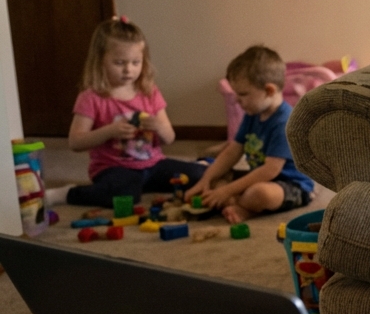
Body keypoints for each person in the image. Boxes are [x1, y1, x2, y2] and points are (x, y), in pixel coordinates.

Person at [50, 17, 207, 207]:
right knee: (125, 196)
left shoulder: (149, 91)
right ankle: (67, 193)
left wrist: (158, 127)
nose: (128, 70)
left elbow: (169, 138)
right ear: (100, 60)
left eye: (135, 62)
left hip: (154, 165)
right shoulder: (91, 97)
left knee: (202, 175)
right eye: (119, 62)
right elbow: (75, 142)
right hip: (114, 168)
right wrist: (110, 131)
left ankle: (201, 163)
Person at [186, 45, 314, 223]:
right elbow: (232, 151)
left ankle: (244, 208)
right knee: (213, 173)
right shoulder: (252, 114)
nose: (237, 100)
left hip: (290, 185)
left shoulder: (285, 122)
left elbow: (270, 171)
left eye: (243, 94)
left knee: (259, 193)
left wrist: (227, 191)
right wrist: (205, 181)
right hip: (257, 177)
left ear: (269, 90)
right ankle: (236, 202)